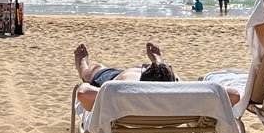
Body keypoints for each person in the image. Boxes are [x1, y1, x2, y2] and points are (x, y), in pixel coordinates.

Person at [74, 42, 240, 110]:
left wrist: (93, 86)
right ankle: (158, 62)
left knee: (95, 70)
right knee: (165, 73)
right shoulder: (185, 95)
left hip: (116, 80)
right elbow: (233, 95)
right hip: (170, 95)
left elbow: (83, 93)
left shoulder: (119, 92)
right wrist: (204, 88)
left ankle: (83, 65)